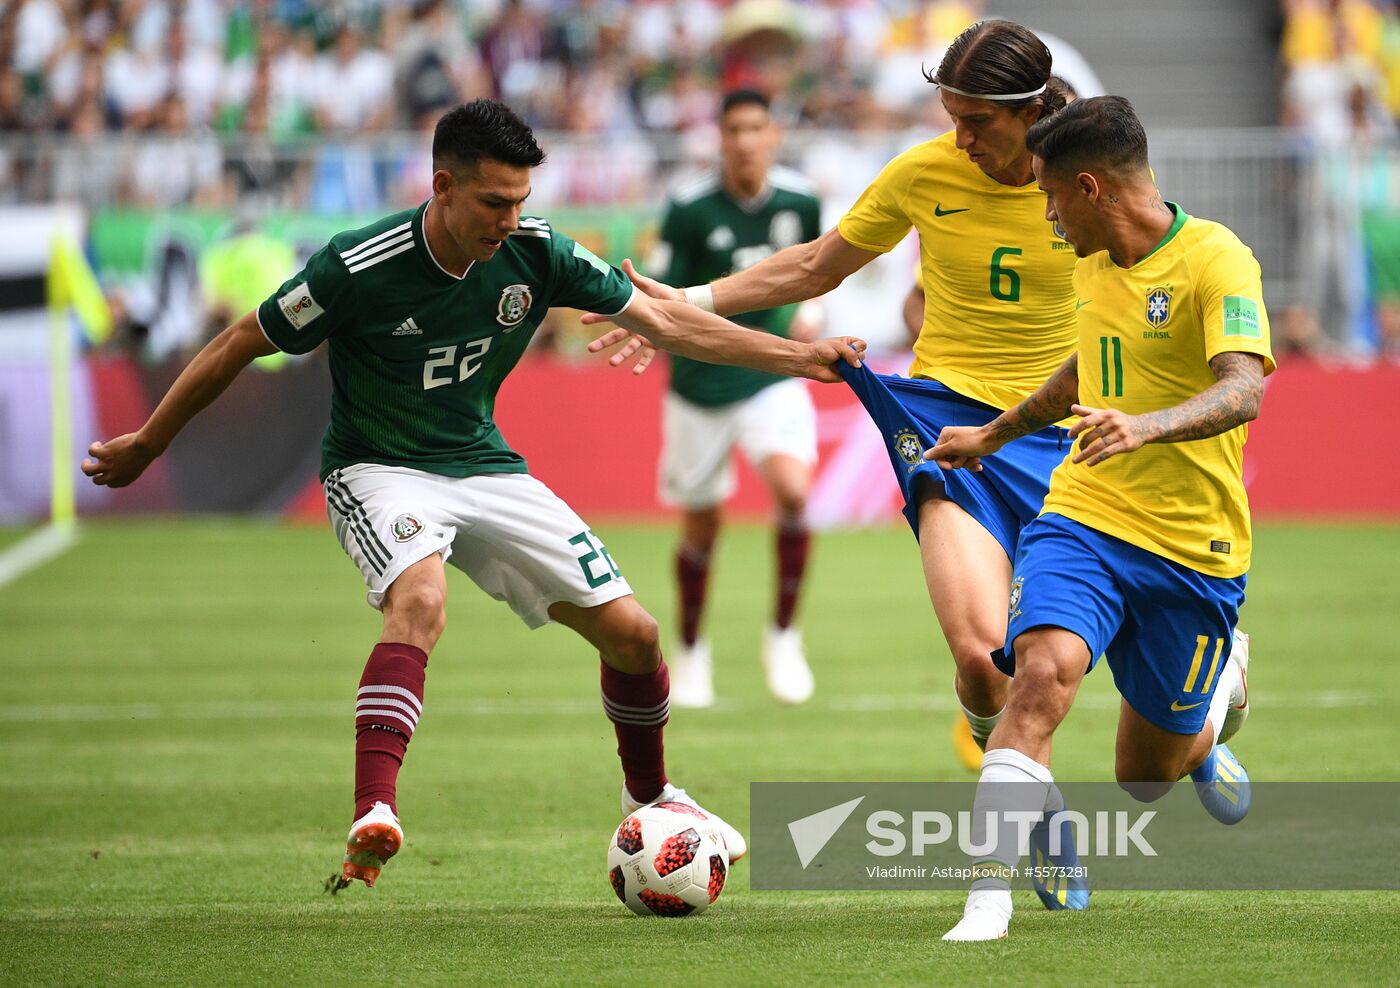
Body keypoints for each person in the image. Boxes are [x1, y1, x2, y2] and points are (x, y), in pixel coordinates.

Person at [81, 98, 865, 892]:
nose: (511, 219)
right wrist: (151, 439)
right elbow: (239, 341)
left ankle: (652, 796)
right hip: (377, 467)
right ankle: (373, 811)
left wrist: (798, 359)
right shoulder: (358, 265)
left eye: (522, 201)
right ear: (444, 186)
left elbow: (666, 323)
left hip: (484, 466)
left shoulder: (535, 251)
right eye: (495, 203)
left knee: (634, 635)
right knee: (420, 601)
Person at [588, 19, 1094, 911]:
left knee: (1131, 704)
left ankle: (1209, 700)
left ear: (1027, 112)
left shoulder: (1084, 176)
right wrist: (677, 304)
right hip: (945, 427)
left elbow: (1150, 274)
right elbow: (817, 266)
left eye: (976, 120)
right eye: (950, 115)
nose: (959, 137)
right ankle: (1039, 807)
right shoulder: (926, 170)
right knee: (983, 663)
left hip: (1064, 430)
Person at [929, 95, 1271, 942]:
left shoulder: (1217, 260)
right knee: (1038, 678)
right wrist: (994, 434)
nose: (1045, 213)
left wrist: (1146, 425)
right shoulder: (1090, 263)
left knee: (1144, 778)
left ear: (1091, 188)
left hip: (1194, 548)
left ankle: (1219, 689)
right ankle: (987, 901)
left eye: (1050, 194)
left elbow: (1244, 387)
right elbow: (1087, 369)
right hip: (1082, 518)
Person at [647, 88, 824, 707]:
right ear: (720, 139)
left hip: (771, 372)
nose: (746, 140)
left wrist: (811, 312)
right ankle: (692, 651)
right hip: (699, 385)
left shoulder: (800, 200)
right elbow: (660, 286)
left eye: (756, 127)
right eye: (734, 130)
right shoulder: (689, 206)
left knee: (795, 493)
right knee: (703, 526)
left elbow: (815, 270)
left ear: (773, 135)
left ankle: (784, 637)